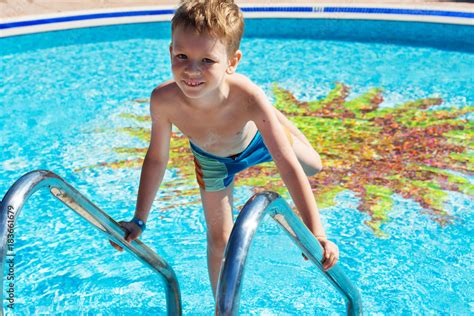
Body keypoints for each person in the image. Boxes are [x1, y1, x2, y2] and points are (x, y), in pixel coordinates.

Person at [110, 0, 339, 299]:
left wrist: (316, 232)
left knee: (313, 166)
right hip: (212, 161)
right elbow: (157, 158)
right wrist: (140, 219)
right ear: (170, 52)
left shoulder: (246, 96)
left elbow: (286, 163)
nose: (192, 70)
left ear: (232, 61)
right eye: (182, 56)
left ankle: (274, 120)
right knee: (219, 240)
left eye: (207, 60)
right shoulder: (163, 100)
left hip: (257, 143)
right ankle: (223, 305)